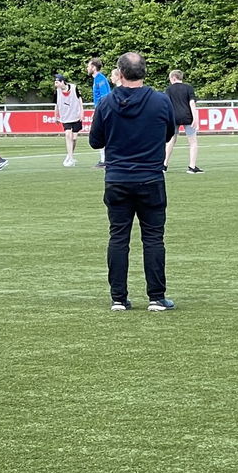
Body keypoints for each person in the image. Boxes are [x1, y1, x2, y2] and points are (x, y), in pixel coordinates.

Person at [88, 52, 177, 311]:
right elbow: (168, 133)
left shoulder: (106, 104)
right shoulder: (161, 102)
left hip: (117, 178)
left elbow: (96, 141)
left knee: (118, 237)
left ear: (120, 73)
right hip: (150, 178)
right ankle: (156, 297)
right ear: (144, 72)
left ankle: (118, 297)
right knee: (153, 238)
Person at [164, 71, 202, 174]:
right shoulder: (188, 88)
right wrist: (195, 118)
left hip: (173, 117)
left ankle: (164, 165)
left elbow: (166, 104)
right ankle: (192, 166)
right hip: (187, 117)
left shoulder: (169, 89)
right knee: (193, 142)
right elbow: (192, 103)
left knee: (171, 141)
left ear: (174, 78)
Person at [54, 73, 85, 167]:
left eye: (57, 82)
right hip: (65, 117)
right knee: (68, 134)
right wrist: (56, 116)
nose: (55, 84)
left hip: (75, 115)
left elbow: (80, 100)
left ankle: (69, 154)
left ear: (62, 82)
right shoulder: (57, 92)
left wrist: (82, 112)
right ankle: (71, 159)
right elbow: (56, 104)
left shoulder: (74, 88)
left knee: (74, 138)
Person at [88, 57, 112, 168]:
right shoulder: (97, 79)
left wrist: (100, 111)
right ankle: (104, 159)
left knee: (102, 134)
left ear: (93, 67)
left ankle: (105, 160)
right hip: (101, 110)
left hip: (103, 110)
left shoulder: (100, 79)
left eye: (89, 66)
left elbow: (104, 96)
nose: (87, 68)